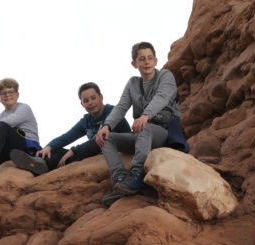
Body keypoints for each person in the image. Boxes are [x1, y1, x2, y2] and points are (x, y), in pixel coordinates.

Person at [96, 42, 189, 207]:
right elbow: (121, 106)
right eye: (142, 59)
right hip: (141, 135)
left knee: (144, 128)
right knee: (106, 139)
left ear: (155, 60)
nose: (146, 62)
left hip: (162, 132)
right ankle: (119, 180)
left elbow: (162, 97)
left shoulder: (165, 76)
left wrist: (145, 115)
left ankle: (137, 174)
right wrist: (107, 126)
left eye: (150, 58)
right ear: (134, 63)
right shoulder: (133, 83)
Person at [10, 82, 131, 175]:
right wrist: (49, 147)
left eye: (93, 98)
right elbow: (67, 136)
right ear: (82, 104)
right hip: (93, 151)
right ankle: (40, 164)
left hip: (118, 148)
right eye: (86, 100)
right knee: (56, 151)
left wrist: (74, 150)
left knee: (99, 139)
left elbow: (98, 138)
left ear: (101, 97)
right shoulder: (86, 120)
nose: (90, 102)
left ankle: (49, 165)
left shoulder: (113, 112)